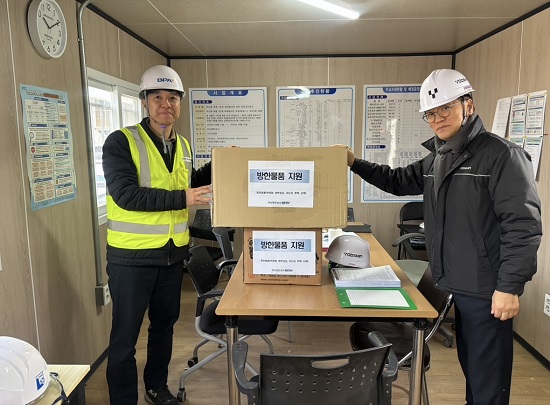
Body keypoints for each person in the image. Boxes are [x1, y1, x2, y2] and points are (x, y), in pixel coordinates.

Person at [342, 69, 542, 404]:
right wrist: (354, 163)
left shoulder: (501, 155)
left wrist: (509, 287)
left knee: (488, 381)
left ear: (468, 105)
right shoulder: (439, 157)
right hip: (454, 281)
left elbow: (523, 225)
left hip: (486, 289)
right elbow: (397, 180)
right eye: (431, 113)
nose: (438, 119)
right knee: (473, 371)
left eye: (446, 108)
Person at [102, 65, 212, 405]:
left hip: (171, 256)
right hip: (131, 259)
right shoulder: (121, 142)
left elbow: (187, 185)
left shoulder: (183, 144)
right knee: (125, 339)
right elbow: (126, 195)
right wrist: (184, 198)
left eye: (172, 98)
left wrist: (218, 166)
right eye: (158, 97)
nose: (166, 104)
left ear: (180, 103)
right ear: (144, 101)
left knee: (163, 328)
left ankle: (156, 387)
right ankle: (123, 400)